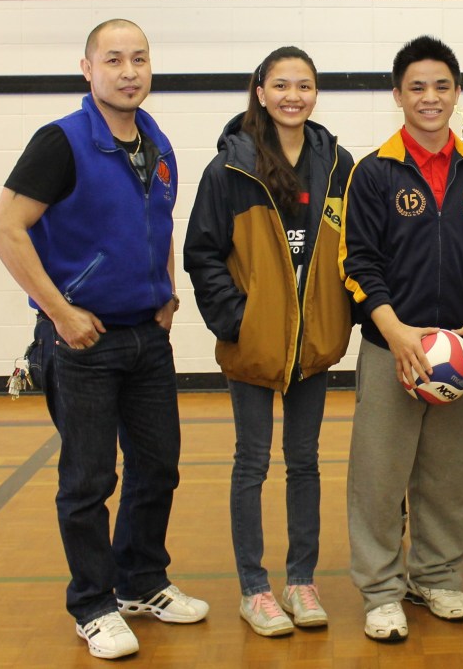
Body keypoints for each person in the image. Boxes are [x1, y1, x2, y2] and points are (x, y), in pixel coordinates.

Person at [0, 19, 208, 660]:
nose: (129, 71)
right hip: (81, 342)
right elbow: (6, 229)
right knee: (88, 480)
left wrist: (167, 292)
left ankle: (142, 581)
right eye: (114, 59)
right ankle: (93, 603)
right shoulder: (59, 142)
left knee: (158, 468)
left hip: (147, 339)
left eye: (139, 59)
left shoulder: (156, 141)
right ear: (87, 68)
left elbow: (158, 219)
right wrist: (60, 312)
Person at [183, 47, 354, 637]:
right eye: (280, 85)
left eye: (304, 85)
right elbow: (201, 253)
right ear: (259, 91)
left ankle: (300, 580)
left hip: (311, 345)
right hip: (253, 345)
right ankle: (254, 589)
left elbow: (352, 250)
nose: (293, 96)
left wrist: (338, 318)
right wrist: (238, 321)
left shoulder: (337, 164)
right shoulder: (228, 168)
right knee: (251, 463)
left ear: (315, 93)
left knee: (304, 464)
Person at [339, 35, 463, 642]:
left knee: (449, 474)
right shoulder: (373, 172)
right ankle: (381, 590)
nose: (430, 98)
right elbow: (359, 263)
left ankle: (435, 575)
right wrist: (397, 332)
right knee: (379, 476)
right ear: (398, 95)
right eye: (416, 87)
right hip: (390, 350)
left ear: (457, 93)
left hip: (459, 356)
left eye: (441, 86)